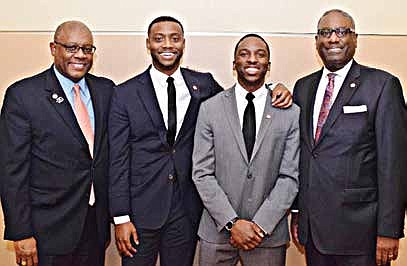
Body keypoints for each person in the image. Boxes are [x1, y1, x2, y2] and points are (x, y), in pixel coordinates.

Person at [108, 16, 292, 266]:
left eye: (174, 38)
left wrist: (272, 89)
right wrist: (121, 217)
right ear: (148, 44)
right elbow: (117, 159)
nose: (167, 45)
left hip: (186, 211)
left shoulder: (202, 85)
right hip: (140, 213)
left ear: (183, 43)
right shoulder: (125, 93)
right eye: (159, 38)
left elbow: (241, 99)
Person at [290, 9, 406, 266]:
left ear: (355, 38)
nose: (333, 39)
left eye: (341, 32)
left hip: (361, 233)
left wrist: (389, 230)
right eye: (325, 33)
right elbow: (302, 155)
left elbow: (393, 164)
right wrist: (298, 212)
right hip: (314, 231)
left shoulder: (382, 85)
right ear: (316, 41)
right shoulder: (303, 87)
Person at [0, 21, 114, 266]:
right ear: (53, 48)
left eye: (87, 49)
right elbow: (12, 171)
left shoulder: (106, 91)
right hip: (47, 232)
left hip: (94, 227)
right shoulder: (23, 96)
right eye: (71, 47)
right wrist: (21, 232)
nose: (80, 55)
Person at [192, 34, 300, 266]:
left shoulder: (290, 113)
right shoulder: (210, 109)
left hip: (267, 236)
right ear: (234, 64)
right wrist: (232, 223)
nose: (252, 60)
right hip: (217, 232)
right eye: (244, 54)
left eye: (260, 55)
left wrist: (260, 225)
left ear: (268, 66)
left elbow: (290, 177)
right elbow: (202, 173)